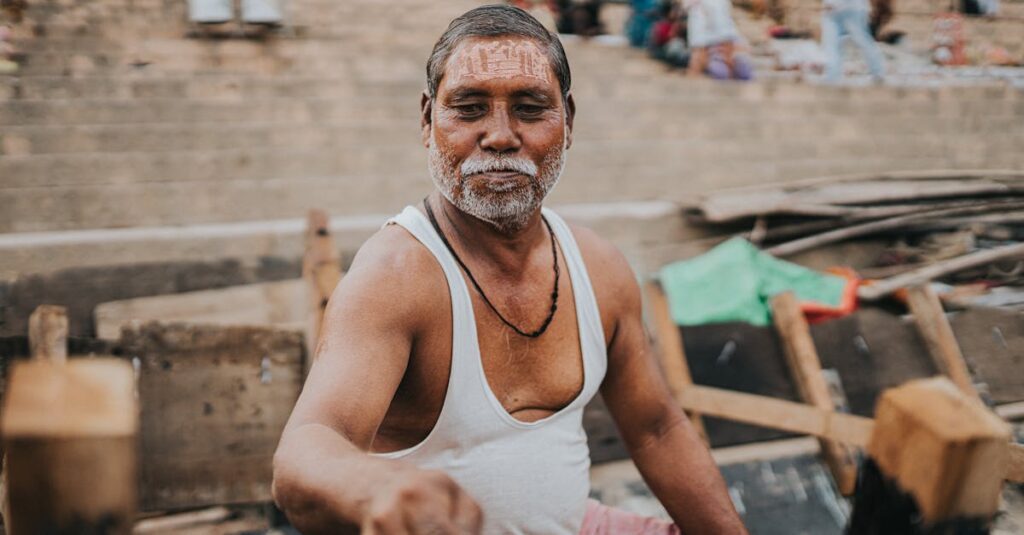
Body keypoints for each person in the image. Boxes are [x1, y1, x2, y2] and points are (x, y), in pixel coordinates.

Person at [271, 5, 748, 534]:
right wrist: (376, 489)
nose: (500, 136)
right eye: (470, 109)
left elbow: (657, 429)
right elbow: (302, 456)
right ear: (428, 121)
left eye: (528, 108)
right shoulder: (397, 275)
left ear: (568, 122)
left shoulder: (598, 267)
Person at [684, 0, 753, 80]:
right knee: (720, 71)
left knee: (743, 68)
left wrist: (731, 49)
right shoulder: (697, 6)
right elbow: (697, 39)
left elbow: (728, 26)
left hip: (726, 44)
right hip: (709, 48)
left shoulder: (722, 3)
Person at [821, 0, 885, 82]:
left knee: (862, 40)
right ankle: (832, 76)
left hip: (852, 8)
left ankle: (878, 72)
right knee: (831, 43)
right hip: (831, 10)